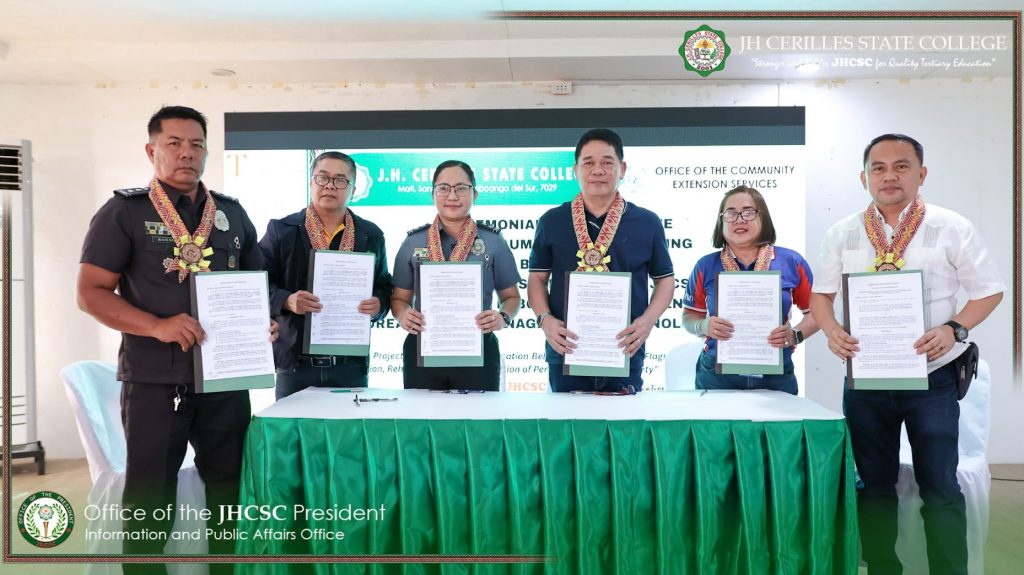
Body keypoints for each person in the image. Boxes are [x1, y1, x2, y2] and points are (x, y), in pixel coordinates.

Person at [76, 106, 276, 574]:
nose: (187, 153)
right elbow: (89, 293)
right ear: (152, 151)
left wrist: (263, 322)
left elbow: (256, 285)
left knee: (230, 491)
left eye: (196, 145)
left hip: (225, 380)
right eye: (174, 143)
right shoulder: (124, 212)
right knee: (150, 496)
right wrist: (157, 326)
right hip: (155, 380)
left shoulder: (230, 213)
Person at [808, 134, 1004, 574]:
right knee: (873, 487)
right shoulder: (843, 233)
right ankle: (882, 568)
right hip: (867, 380)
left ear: (921, 173)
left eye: (901, 166)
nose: (889, 176)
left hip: (933, 378)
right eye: (878, 168)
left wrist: (954, 329)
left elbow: (989, 291)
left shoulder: (951, 227)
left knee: (940, 487)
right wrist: (832, 331)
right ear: (864, 178)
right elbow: (820, 295)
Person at [528, 128, 674, 393]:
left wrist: (647, 322)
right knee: (566, 419)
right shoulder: (551, 221)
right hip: (566, 349)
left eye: (607, 162)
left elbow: (665, 280)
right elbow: (537, 279)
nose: (598, 170)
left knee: (623, 420)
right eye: (589, 163)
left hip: (625, 347)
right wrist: (545, 320)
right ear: (576, 170)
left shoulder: (647, 222)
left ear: (622, 169)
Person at [260, 151, 392, 399]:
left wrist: (379, 305)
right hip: (295, 365)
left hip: (349, 366)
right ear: (311, 182)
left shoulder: (371, 234)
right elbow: (257, 285)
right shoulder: (282, 230)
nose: (330, 186)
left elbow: (384, 287)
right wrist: (287, 300)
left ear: (353, 189)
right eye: (322, 178)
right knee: (293, 426)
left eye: (340, 180)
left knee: (349, 426)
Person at [391, 160, 521, 391]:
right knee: (421, 414)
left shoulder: (493, 241)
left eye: (461, 188)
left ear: (475, 194)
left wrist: (502, 317)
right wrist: (402, 314)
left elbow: (512, 297)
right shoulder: (413, 242)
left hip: (478, 349)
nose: (452, 196)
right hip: (423, 349)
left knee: (480, 415)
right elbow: (399, 298)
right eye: (443, 188)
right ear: (433, 194)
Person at [681, 185, 818, 394]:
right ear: (721, 221)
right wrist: (702, 326)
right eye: (731, 213)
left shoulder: (792, 261)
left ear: (763, 217)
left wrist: (795, 335)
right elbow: (688, 317)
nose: (739, 219)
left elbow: (818, 314)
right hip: (716, 375)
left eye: (748, 212)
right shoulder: (705, 265)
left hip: (776, 373)